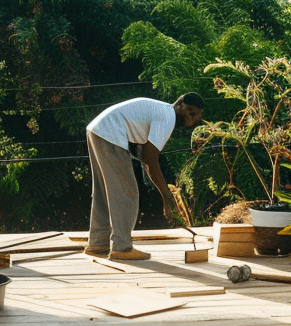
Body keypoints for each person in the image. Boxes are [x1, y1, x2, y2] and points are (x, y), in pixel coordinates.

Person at [84, 93, 204, 260]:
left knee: (103, 193)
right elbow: (150, 158)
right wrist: (167, 197)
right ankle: (121, 247)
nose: (193, 120)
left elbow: (144, 156)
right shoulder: (168, 116)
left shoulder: (160, 111)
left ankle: (97, 244)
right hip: (110, 133)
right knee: (127, 192)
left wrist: (166, 197)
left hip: (97, 129)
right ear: (179, 105)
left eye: (197, 117)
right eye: (191, 113)